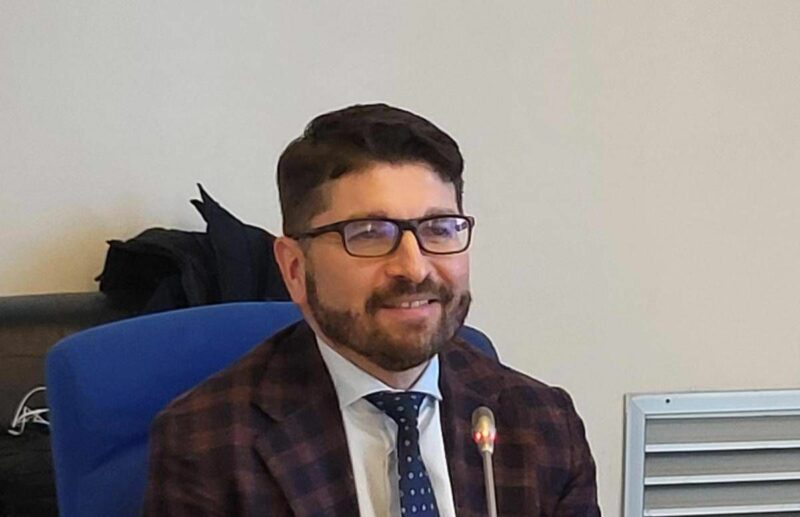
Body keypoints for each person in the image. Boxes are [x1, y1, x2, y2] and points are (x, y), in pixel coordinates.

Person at [143, 104, 600, 516]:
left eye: (439, 229)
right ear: (295, 269)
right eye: (369, 234)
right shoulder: (207, 445)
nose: (414, 268)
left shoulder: (543, 425)